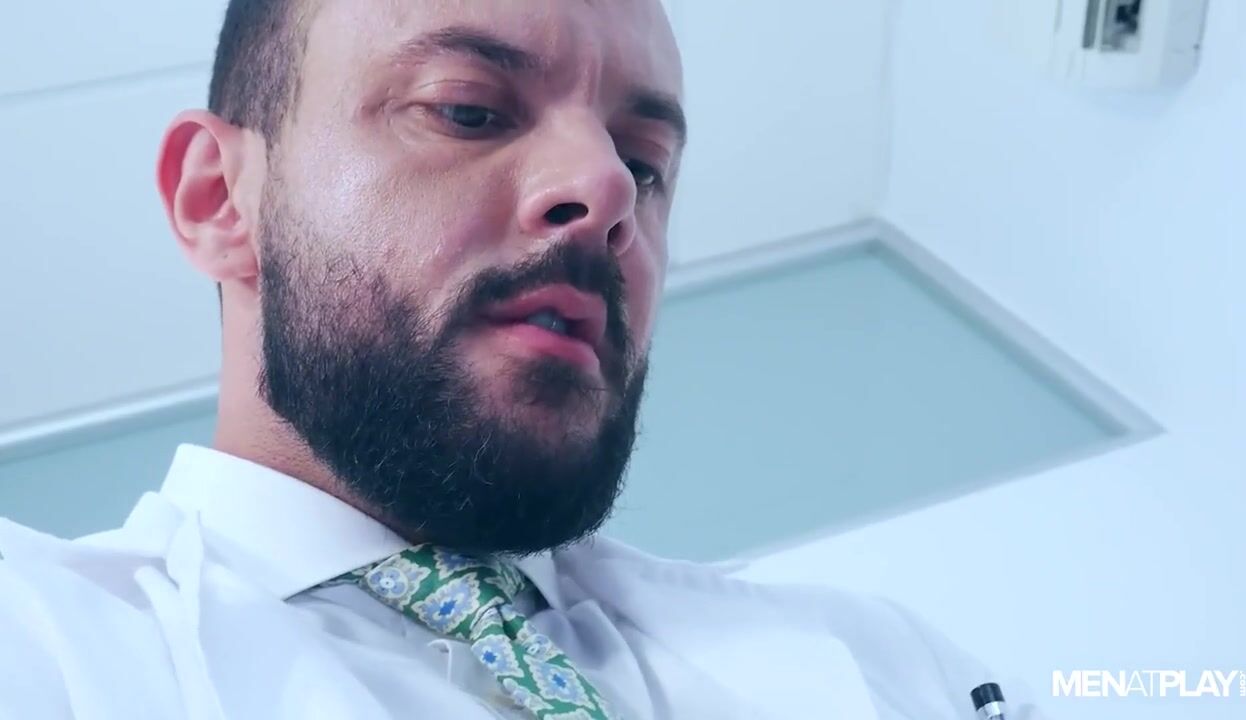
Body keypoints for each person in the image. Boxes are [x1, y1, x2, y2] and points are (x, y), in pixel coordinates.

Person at [0, 1, 1050, 718]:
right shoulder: (40, 643)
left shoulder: (885, 664)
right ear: (220, 200)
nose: (608, 190)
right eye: (467, 110)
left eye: (645, 163)